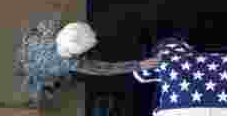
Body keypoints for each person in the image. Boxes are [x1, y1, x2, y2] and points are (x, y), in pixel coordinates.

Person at [15, 18, 160, 106]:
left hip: (26, 54)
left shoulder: (48, 27)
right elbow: (104, 69)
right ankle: (49, 87)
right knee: (54, 82)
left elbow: (33, 32)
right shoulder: (68, 63)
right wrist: (138, 65)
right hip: (38, 71)